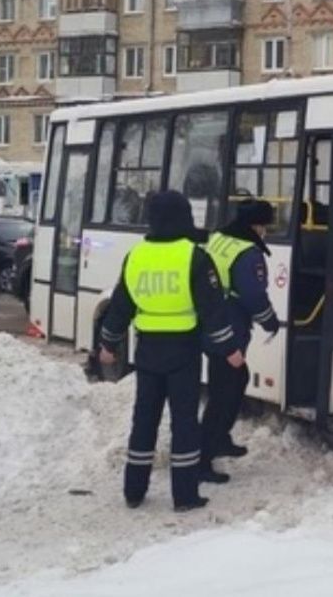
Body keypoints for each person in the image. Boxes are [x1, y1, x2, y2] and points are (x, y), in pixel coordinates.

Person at [98, 190, 244, 512]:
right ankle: (185, 496)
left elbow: (121, 307)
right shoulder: (193, 256)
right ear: (184, 218)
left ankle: (134, 491)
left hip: (147, 351)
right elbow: (213, 311)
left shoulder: (135, 256)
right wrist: (230, 350)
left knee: (144, 421)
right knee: (184, 424)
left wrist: (108, 344)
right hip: (183, 353)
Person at [199, 199, 280, 483]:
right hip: (228, 329)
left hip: (212, 324)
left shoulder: (220, 238)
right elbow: (253, 296)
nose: (266, 232)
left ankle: (219, 439)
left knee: (234, 381)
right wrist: (271, 321)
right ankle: (202, 459)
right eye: (265, 226)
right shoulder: (247, 253)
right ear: (255, 226)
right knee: (223, 392)